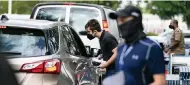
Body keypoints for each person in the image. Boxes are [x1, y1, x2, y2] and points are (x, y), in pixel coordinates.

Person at [103, 5, 166, 85]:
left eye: (123, 20)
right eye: (118, 21)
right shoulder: (121, 48)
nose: (120, 24)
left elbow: (160, 82)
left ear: (135, 21)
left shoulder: (151, 48)